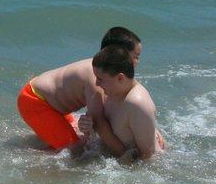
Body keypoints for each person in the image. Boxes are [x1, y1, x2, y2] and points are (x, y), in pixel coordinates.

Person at [16, 26, 141, 156]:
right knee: (76, 152)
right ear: (118, 53)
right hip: (34, 101)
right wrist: (123, 153)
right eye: (135, 56)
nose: (137, 62)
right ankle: (28, 157)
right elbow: (99, 122)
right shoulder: (97, 77)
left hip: (51, 102)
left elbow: (131, 96)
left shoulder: (107, 74)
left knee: (78, 134)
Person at [91, 45, 164, 161]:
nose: (96, 83)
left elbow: (148, 157)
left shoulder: (136, 103)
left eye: (100, 79)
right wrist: (87, 125)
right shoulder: (112, 92)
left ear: (120, 78)